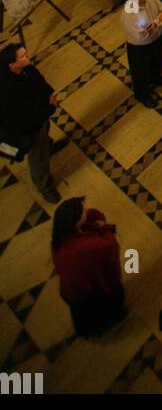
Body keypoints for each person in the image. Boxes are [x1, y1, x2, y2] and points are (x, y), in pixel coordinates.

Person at [51, 199, 126, 338]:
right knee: (104, 308)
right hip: (91, 291)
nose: (86, 211)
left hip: (74, 290)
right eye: (83, 212)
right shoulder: (86, 248)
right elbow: (110, 246)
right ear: (76, 222)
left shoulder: (60, 238)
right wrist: (105, 227)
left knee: (85, 315)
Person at [0, 42, 60, 202]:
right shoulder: (7, 91)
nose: (28, 57)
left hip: (41, 116)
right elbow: (26, 117)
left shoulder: (26, 69)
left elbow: (40, 81)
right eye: (23, 56)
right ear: (12, 65)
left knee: (44, 136)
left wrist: (49, 93)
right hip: (30, 129)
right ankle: (44, 186)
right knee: (38, 158)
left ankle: (48, 146)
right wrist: (50, 108)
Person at [120, 0, 162, 108]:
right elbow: (142, 35)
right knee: (141, 72)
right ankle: (142, 94)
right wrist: (158, 22)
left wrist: (156, 23)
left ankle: (155, 78)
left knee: (157, 61)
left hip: (155, 39)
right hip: (140, 47)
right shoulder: (129, 13)